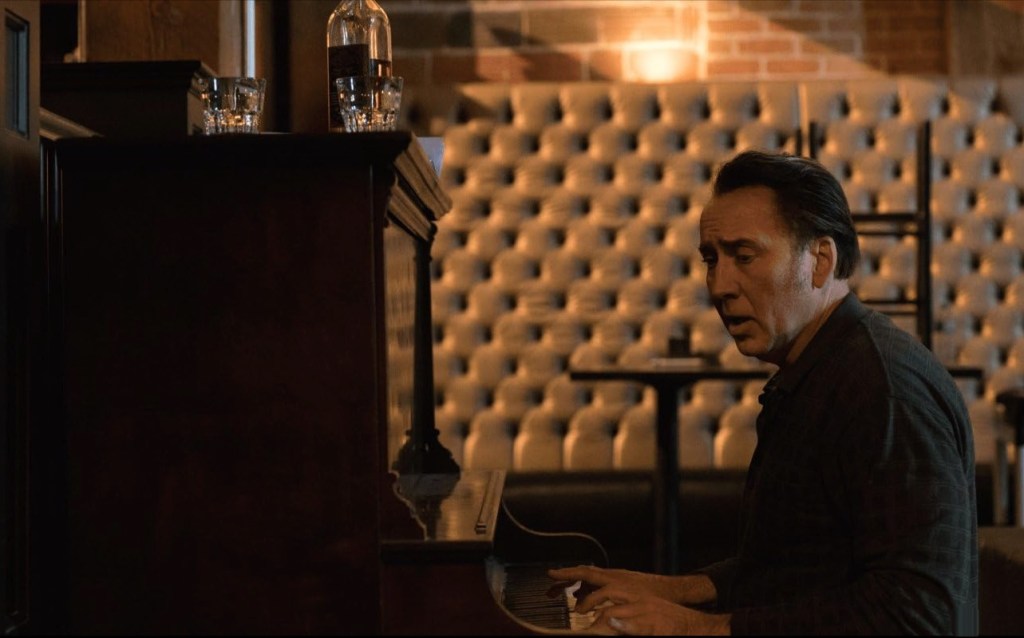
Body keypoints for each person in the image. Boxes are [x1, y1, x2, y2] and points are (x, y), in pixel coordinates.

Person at [549, 150, 978, 635]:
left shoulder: (882, 389)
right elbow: (795, 567)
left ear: (820, 261)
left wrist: (697, 628)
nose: (720, 286)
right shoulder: (820, 369)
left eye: (744, 256)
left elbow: (918, 616)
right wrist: (670, 591)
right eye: (711, 260)